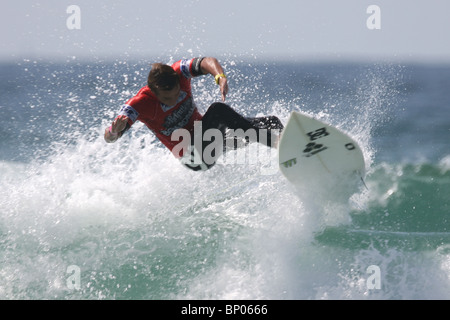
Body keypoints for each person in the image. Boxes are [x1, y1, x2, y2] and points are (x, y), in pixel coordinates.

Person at [104, 57, 283, 171]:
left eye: (176, 93)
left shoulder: (178, 73)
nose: (174, 99)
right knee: (218, 110)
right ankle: (278, 144)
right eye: (167, 98)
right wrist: (114, 131)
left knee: (271, 122)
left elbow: (206, 61)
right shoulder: (140, 103)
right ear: (153, 91)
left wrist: (219, 76)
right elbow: (109, 138)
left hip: (212, 141)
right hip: (193, 158)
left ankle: (295, 144)